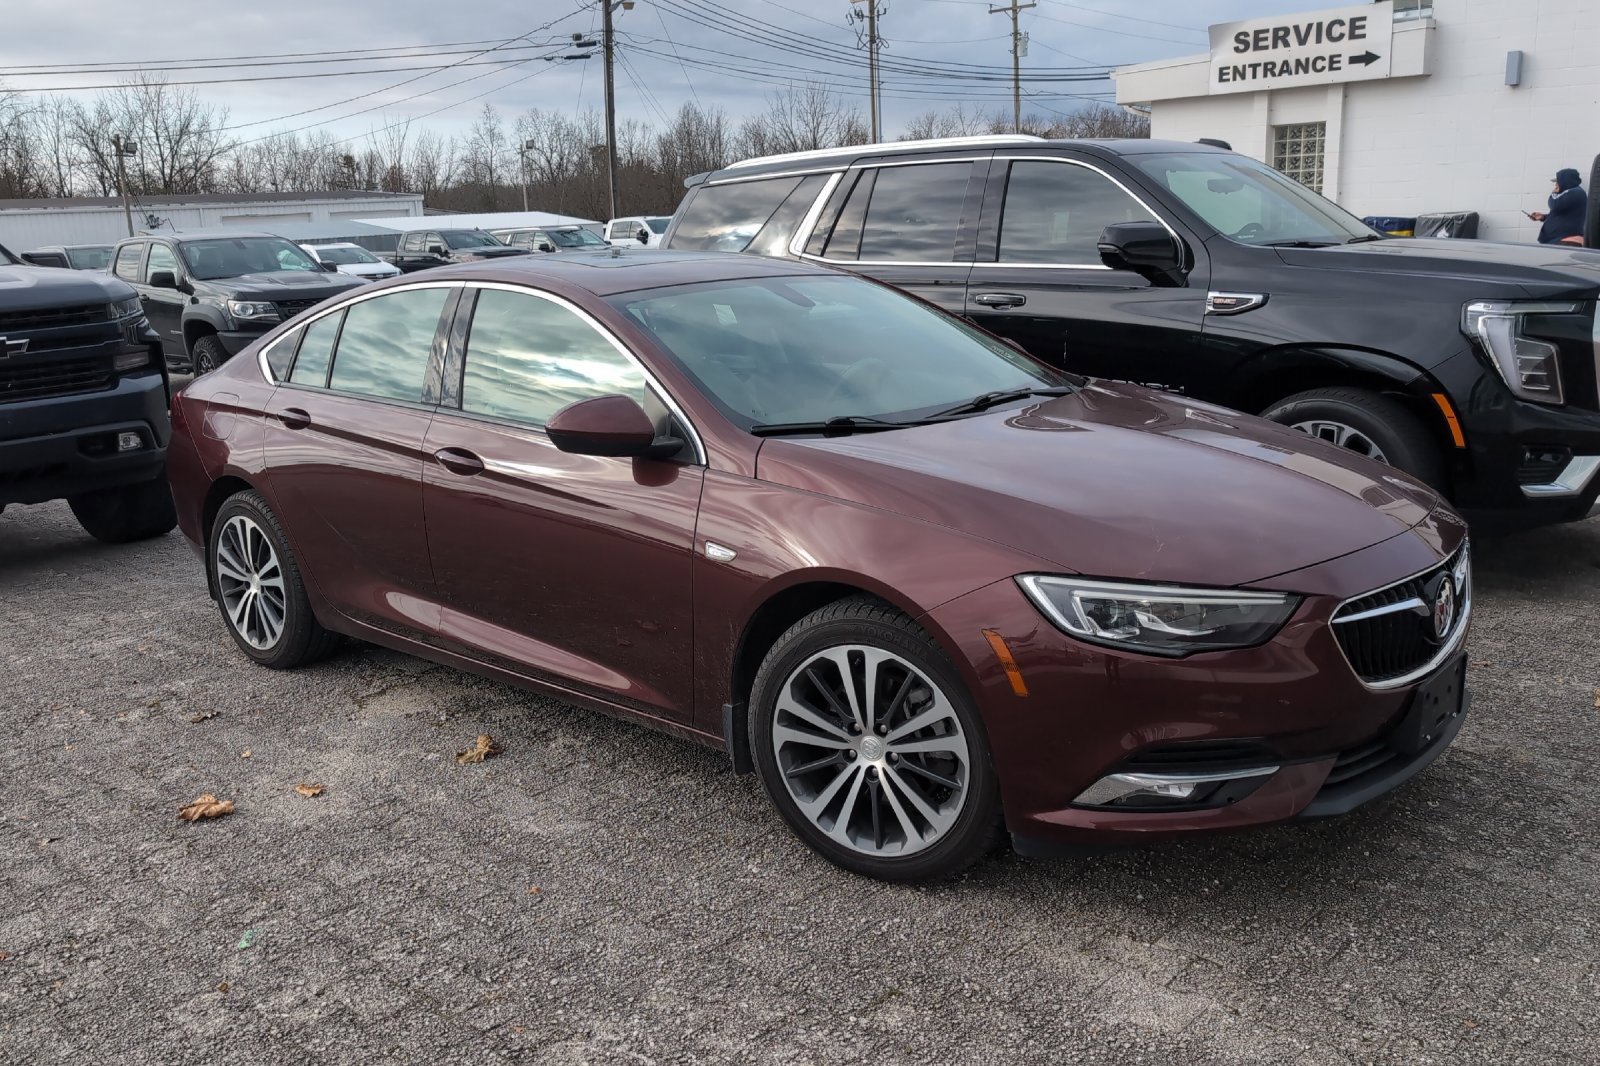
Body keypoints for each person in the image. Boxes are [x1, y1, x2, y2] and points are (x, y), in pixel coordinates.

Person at [1529, 168, 1586, 244]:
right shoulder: (1571, 193)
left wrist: (1554, 193)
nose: (1555, 185)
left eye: (1557, 182)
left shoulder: (1575, 192)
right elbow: (1565, 215)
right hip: (1561, 240)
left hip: (1566, 240)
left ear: (1565, 180)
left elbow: (1555, 205)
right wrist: (1543, 217)